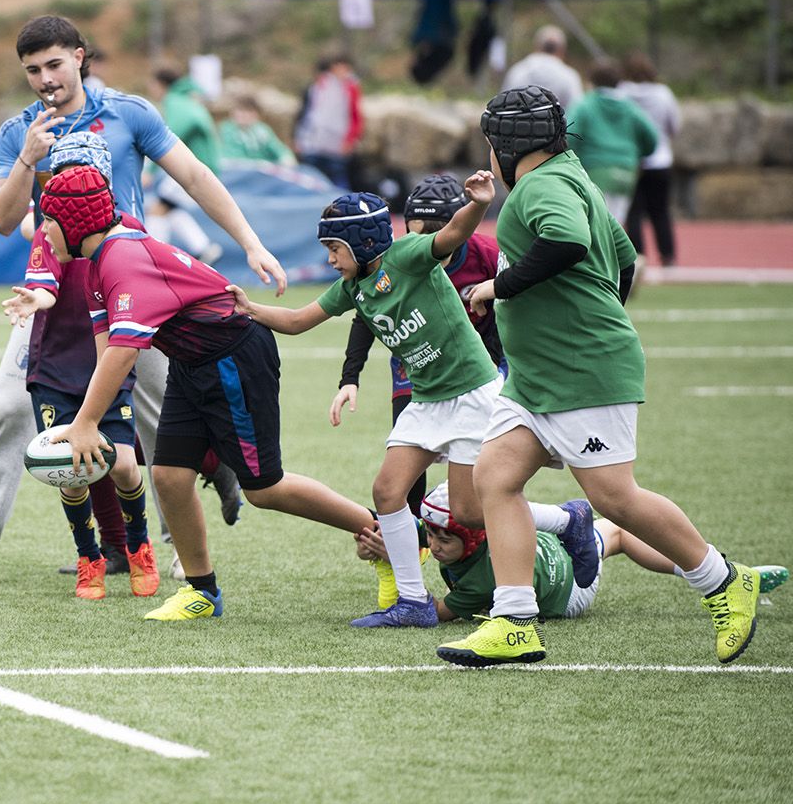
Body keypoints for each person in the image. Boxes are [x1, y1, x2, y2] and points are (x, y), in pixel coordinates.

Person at [0, 15, 280, 582]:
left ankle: (185, 540)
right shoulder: (19, 132)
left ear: (80, 57)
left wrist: (250, 243)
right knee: (11, 408)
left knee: (161, 416)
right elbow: (2, 221)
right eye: (32, 70)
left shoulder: (130, 114)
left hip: (136, 289)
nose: (44, 79)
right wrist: (29, 160)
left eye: (54, 64)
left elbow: (196, 178)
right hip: (52, 294)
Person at [442, 85, 759, 667]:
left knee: (614, 496)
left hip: (580, 374)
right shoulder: (573, 175)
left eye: (490, 145)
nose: (489, 156)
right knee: (495, 477)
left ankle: (723, 580)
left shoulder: (544, 186)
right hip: (539, 377)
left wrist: (497, 286)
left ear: (508, 146)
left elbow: (568, 241)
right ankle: (515, 621)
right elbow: (626, 258)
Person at [230, 187, 598, 628]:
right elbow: (296, 321)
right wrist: (248, 309)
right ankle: (412, 601)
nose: (329, 259)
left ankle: (567, 518)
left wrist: (479, 203)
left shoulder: (408, 255)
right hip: (426, 401)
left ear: (363, 243)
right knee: (388, 491)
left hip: (473, 396)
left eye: (334, 249)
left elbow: (453, 233)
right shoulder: (353, 286)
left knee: (470, 511)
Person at [28, 165, 375, 621]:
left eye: (48, 220)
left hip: (233, 357)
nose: (42, 230)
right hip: (191, 363)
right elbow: (105, 343)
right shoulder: (98, 257)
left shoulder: (121, 260)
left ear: (73, 224)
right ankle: (202, 591)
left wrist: (88, 421)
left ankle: (380, 528)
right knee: (169, 476)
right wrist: (88, 418)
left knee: (265, 488)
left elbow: (123, 352)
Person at [332, 173, 506, 606]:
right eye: (414, 229)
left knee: (473, 503)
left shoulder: (485, 254)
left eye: (433, 230)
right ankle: (405, 580)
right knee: (395, 485)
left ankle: (531, 537)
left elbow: (516, 306)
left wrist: (506, 368)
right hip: (417, 370)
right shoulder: (398, 258)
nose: (422, 238)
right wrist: (349, 378)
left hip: (478, 370)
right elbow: (363, 312)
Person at [6, 143, 159, 600]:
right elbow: (45, 283)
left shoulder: (128, 232)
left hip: (106, 364)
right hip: (55, 366)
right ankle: (87, 556)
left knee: (126, 467)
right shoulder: (47, 231)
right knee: (68, 471)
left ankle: (139, 546)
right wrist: (37, 298)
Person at [360, 482, 789, 624]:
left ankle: (719, 574)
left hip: (572, 590)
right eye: (430, 536)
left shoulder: (479, 580)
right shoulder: (470, 536)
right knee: (615, 532)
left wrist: (398, 567)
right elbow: (414, 528)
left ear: (472, 540)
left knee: (619, 532)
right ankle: (725, 572)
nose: (433, 546)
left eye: (442, 540)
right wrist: (389, 547)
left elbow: (437, 610)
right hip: (547, 551)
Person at [566, 60, 659, 228]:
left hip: (595, 169)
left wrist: (572, 159)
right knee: (615, 223)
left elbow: (569, 134)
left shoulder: (585, 104)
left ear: (592, 82)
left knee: (596, 224)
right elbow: (652, 138)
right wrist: (638, 154)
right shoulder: (630, 107)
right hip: (626, 171)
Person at [145, 66, 222, 265]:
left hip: (194, 168)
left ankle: (154, 258)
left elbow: (164, 137)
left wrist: (150, 170)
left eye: (153, 85)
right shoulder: (188, 99)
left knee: (158, 209)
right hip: (204, 166)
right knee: (170, 208)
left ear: (162, 85)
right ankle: (203, 248)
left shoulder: (175, 101)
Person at [617, 52, 681, 268]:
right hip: (659, 160)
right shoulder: (663, 93)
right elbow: (675, 125)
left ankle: (638, 259)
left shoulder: (622, 93)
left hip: (630, 162)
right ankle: (668, 256)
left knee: (633, 213)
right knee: (660, 211)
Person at [293, 55, 361, 189]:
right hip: (313, 142)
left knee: (338, 180)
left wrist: (350, 139)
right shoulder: (316, 88)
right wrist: (298, 137)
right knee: (309, 179)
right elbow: (305, 113)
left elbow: (355, 116)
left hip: (336, 144)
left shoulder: (350, 88)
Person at [502, 25, 582, 110]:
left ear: (537, 46)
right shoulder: (569, 76)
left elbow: (502, 104)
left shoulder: (517, 71)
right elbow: (575, 111)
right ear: (562, 50)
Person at [218, 95, 296, 165]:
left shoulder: (262, 130)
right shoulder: (227, 129)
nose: (243, 115)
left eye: (247, 111)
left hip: (262, 170)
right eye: (240, 111)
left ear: (256, 114)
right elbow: (230, 155)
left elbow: (278, 149)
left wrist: (286, 157)